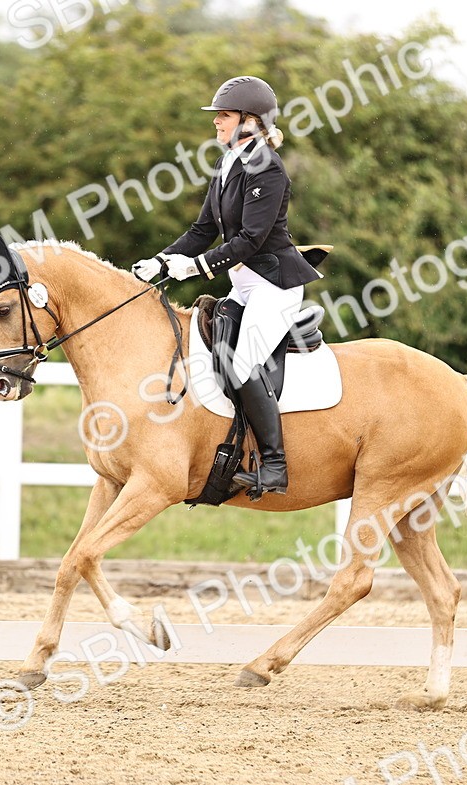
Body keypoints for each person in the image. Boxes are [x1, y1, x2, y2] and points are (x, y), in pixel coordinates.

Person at [132, 76, 322, 498]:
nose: (216, 123)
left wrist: (196, 268)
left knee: (240, 364)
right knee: (208, 347)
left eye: (224, 115)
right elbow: (203, 229)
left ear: (250, 121)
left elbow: (250, 240)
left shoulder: (268, 169)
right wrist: (162, 260)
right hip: (245, 286)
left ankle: (274, 465)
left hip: (274, 285)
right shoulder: (226, 165)